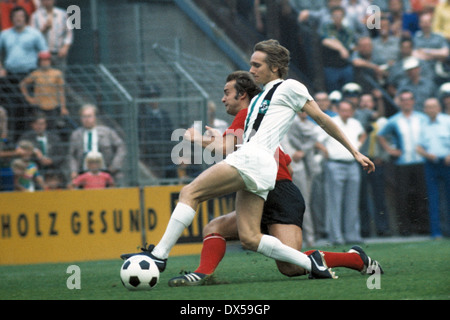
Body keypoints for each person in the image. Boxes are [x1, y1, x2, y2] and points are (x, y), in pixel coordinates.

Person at [121, 40, 375, 280]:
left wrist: (354, 151)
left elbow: (322, 119)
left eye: (257, 65)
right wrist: (217, 141)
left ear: (274, 67)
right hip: (259, 166)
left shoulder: (290, 87)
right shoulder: (259, 100)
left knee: (190, 192)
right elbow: (237, 142)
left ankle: (158, 256)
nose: (251, 69)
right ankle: (319, 263)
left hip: (261, 167)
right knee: (253, 241)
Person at [167, 71, 382, 286]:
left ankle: (355, 258)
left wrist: (196, 138)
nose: (222, 98)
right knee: (215, 228)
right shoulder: (258, 125)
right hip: (266, 191)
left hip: (276, 192)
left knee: (292, 267)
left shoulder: (246, 115)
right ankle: (202, 274)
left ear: (242, 96)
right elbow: (286, 163)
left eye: (226, 93)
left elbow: (226, 148)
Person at [377, 89, 429, 235]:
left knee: (422, 194)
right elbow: (381, 135)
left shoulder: (422, 118)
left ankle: (423, 227)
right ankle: (405, 229)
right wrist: (390, 150)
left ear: (413, 101)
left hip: (420, 160)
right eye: (403, 99)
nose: (407, 102)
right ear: (400, 102)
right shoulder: (394, 120)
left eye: (409, 99)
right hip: (402, 162)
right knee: (403, 196)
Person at [319, 99, 366, 245]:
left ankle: (352, 235)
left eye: (348, 110)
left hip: (352, 164)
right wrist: (326, 152)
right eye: (343, 110)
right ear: (338, 110)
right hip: (335, 164)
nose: (346, 112)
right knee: (335, 201)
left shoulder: (355, 123)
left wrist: (358, 146)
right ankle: (336, 237)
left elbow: (363, 135)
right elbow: (318, 140)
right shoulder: (331, 121)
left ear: (352, 111)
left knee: (352, 201)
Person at [0, 6, 47, 140]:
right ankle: (13, 138)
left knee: (27, 107)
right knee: (12, 107)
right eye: (15, 16)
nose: (18, 19)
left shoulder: (34, 34)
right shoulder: (5, 34)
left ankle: (27, 139)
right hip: (10, 77)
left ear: (25, 18)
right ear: (12, 19)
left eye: (21, 16)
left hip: (29, 76)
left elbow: (44, 53)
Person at [416, 98, 450, 239]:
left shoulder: (447, 121)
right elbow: (418, 147)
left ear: (439, 108)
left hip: (447, 163)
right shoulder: (423, 125)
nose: (431, 109)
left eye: (433, 106)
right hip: (431, 164)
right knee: (433, 198)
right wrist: (427, 154)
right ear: (424, 110)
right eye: (428, 107)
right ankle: (436, 232)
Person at [69, 104, 126, 185]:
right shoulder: (76, 135)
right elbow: (71, 155)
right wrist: (73, 170)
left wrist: (114, 166)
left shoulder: (107, 132)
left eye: (89, 116)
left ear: (95, 117)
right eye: (84, 117)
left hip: (106, 171)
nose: (87, 119)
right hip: (83, 173)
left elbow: (121, 147)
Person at [19, 51, 68, 131]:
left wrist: (63, 107)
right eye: (42, 60)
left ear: (50, 61)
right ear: (39, 62)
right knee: (38, 127)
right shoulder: (36, 74)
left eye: (47, 60)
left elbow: (61, 91)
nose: (45, 63)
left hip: (53, 107)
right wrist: (28, 98)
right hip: (39, 106)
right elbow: (22, 84)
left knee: (52, 129)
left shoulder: (57, 74)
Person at [18, 112, 66, 181]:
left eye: (42, 124)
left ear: (45, 125)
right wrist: (34, 151)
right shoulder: (26, 137)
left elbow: (61, 154)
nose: (40, 126)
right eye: (37, 124)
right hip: (34, 170)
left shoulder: (54, 138)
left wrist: (51, 160)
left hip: (52, 170)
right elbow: (19, 150)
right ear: (32, 125)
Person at [321, 6, 356, 92]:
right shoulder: (327, 27)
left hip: (345, 65)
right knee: (333, 92)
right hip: (331, 66)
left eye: (340, 16)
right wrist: (341, 49)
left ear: (343, 17)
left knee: (349, 88)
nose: (337, 18)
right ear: (331, 17)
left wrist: (338, 45)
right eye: (335, 16)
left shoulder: (348, 30)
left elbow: (350, 45)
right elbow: (326, 41)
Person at [30, 0, 74, 70]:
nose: (47, 1)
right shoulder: (35, 16)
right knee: (43, 79)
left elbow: (69, 33)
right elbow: (32, 37)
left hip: (59, 53)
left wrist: (65, 47)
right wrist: (43, 30)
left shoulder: (63, 14)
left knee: (59, 78)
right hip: (43, 55)